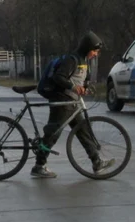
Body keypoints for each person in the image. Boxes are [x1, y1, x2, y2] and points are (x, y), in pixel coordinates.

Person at [32, 31, 114, 179]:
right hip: (63, 100)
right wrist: (73, 87)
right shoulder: (72, 59)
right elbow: (59, 77)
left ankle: (97, 162)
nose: (96, 54)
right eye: (95, 51)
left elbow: (83, 79)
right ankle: (39, 165)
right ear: (87, 48)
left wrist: (86, 87)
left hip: (72, 102)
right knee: (53, 133)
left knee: (83, 130)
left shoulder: (84, 61)